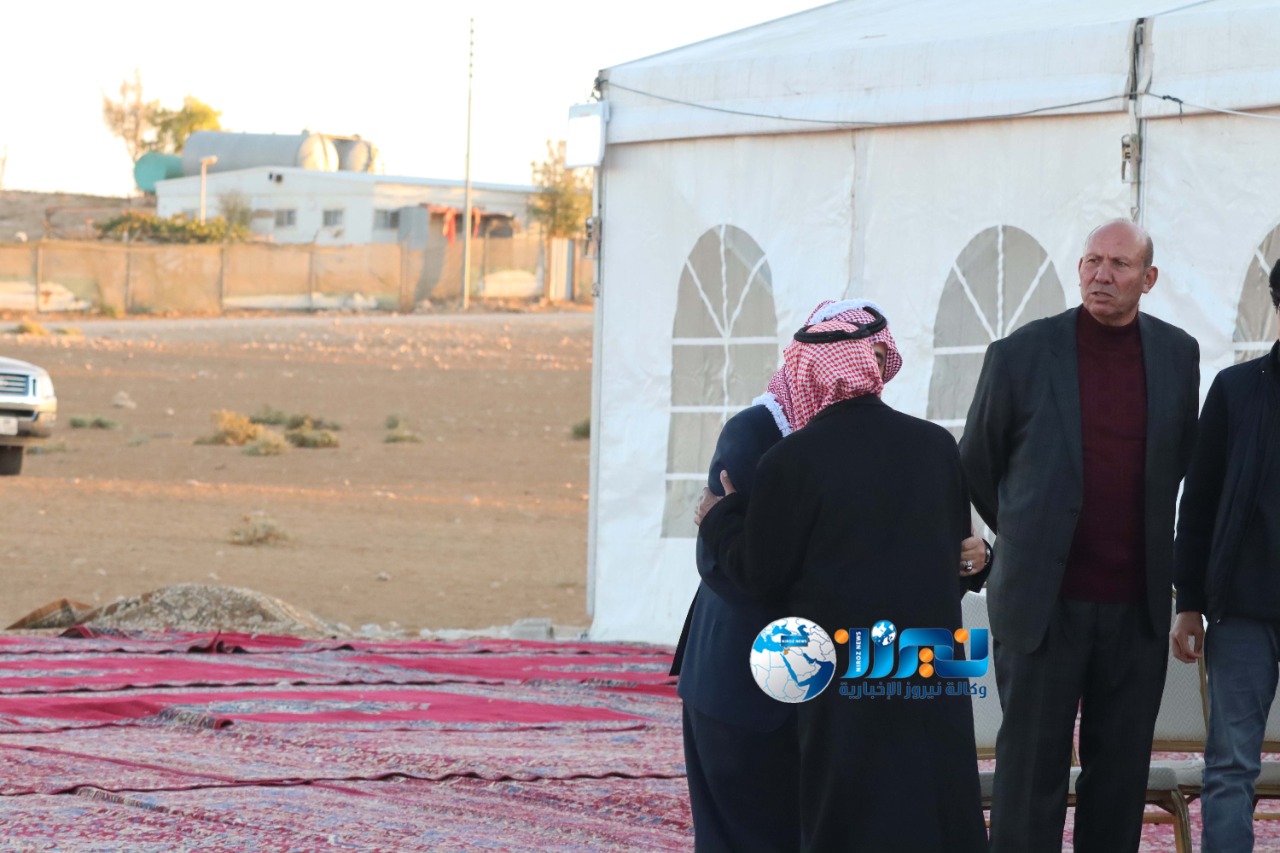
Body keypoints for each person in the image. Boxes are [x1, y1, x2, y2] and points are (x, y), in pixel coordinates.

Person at [696, 304, 989, 852]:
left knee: (854, 813)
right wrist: (982, 563)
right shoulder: (935, 445)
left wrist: (721, 519)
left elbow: (760, 577)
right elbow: (957, 563)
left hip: (845, 670)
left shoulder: (792, 460)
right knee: (933, 805)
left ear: (808, 373)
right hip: (927, 663)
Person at [960, 219, 1200, 852]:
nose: (1102, 275)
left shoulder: (1178, 355)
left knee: (1118, 781)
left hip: (1136, 608)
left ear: (1148, 278)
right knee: (1029, 777)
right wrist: (1026, 537)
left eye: (1119, 265)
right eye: (1092, 261)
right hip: (1042, 606)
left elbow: (1179, 460)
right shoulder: (1020, 354)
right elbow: (976, 463)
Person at [1170, 262, 1280, 851]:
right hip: (1241, 612)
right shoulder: (1236, 390)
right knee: (1231, 766)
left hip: (1242, 612)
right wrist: (1188, 601)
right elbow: (1200, 499)